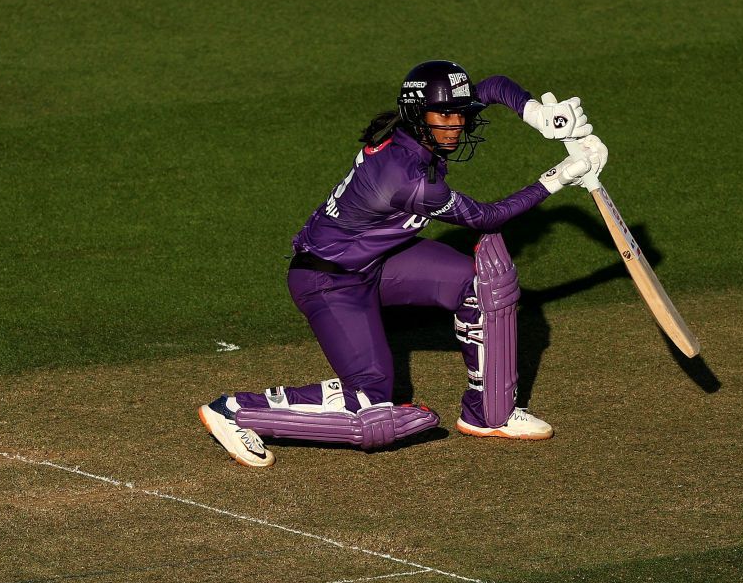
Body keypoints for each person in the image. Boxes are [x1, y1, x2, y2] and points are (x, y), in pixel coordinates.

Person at [198, 59, 608, 468]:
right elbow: (488, 218)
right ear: (418, 114)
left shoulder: (424, 130)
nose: (456, 125)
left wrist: (537, 115)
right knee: (371, 404)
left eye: (459, 114)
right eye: (444, 115)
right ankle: (233, 410)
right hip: (329, 281)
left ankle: (488, 413)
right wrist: (558, 177)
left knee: (482, 282)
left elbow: (496, 86)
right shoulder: (408, 180)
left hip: (376, 262)